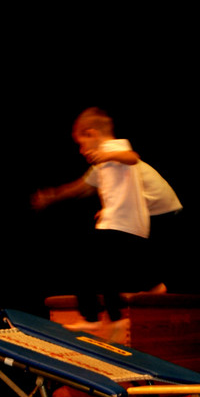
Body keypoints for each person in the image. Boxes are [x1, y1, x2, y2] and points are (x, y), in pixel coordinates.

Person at [32, 108, 163, 340]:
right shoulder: (103, 162)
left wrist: (109, 156)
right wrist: (53, 195)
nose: (81, 150)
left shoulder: (113, 148)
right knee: (103, 270)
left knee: (89, 264)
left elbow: (132, 157)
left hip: (120, 223)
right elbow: (82, 187)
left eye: (82, 144)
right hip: (122, 223)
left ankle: (97, 318)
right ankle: (116, 314)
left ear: (92, 133)